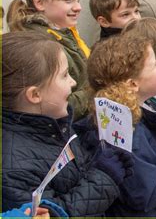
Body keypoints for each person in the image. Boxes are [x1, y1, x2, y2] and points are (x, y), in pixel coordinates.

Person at [2, 32, 133, 217]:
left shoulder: (52, 125)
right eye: (64, 75)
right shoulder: (11, 168)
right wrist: (105, 176)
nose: (73, 82)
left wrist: (93, 147)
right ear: (35, 95)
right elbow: (55, 213)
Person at [82, 34, 156, 217]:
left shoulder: (135, 114)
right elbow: (145, 191)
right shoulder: (126, 130)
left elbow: (153, 157)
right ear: (133, 84)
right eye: (153, 64)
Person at [6, 0, 90, 120]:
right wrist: (96, 92)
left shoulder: (64, 32)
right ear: (39, 2)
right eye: (68, 0)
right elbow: (56, 104)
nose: (78, 7)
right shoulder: (40, 47)